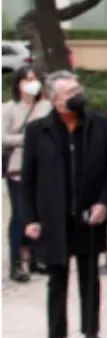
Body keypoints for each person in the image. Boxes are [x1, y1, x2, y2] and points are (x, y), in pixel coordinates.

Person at [21, 71, 107, 338]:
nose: (78, 95)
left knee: (90, 278)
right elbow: (28, 179)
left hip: (90, 215)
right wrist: (30, 218)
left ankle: (92, 333)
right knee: (57, 280)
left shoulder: (98, 124)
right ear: (55, 98)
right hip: (54, 217)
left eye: (78, 89)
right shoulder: (38, 130)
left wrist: (104, 203)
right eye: (70, 92)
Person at [2, 67, 50, 282]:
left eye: (35, 79)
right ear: (19, 84)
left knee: (38, 213)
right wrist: (28, 139)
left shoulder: (45, 107)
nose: (32, 83)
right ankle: (15, 262)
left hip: (43, 168)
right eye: (27, 79)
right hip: (18, 169)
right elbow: (3, 137)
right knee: (21, 215)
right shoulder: (10, 108)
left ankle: (35, 258)